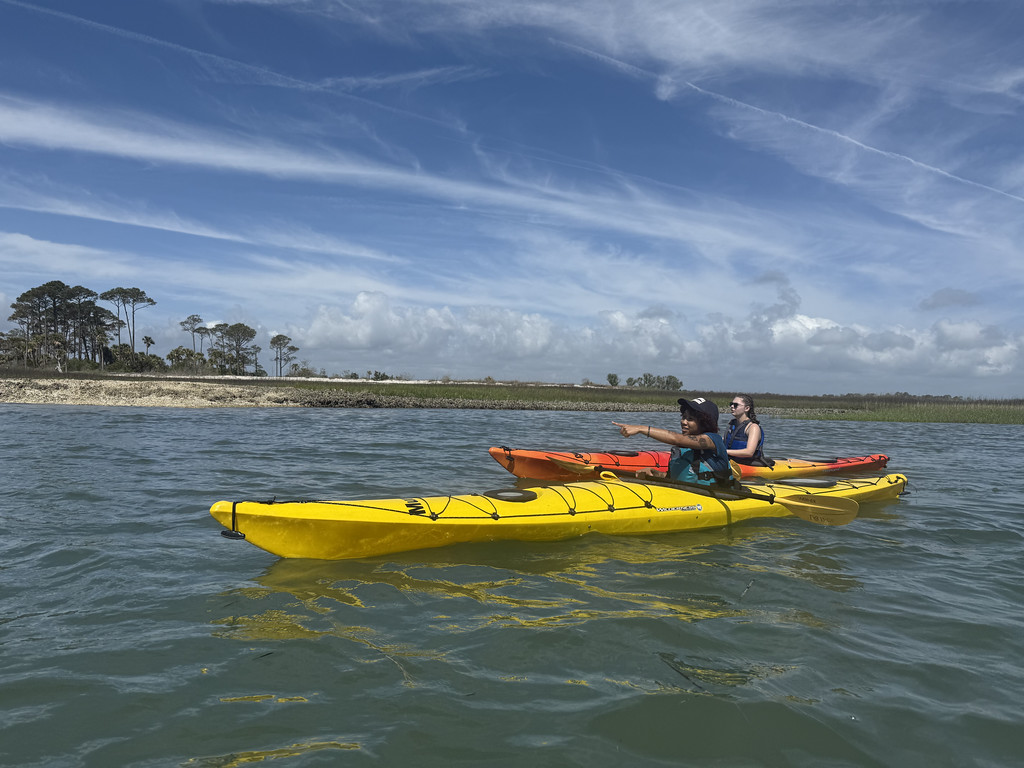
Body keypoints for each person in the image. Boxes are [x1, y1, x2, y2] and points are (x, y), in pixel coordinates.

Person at [613, 396, 732, 487]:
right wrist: (656, 474)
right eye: (683, 417)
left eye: (690, 419)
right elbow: (675, 477)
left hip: (718, 495)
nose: (684, 422)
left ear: (705, 422)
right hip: (687, 494)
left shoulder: (712, 440)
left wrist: (641, 428)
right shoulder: (683, 449)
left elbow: (676, 438)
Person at [724, 394, 771, 466]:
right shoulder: (732, 424)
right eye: (731, 404)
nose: (732, 406)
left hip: (748, 463)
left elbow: (749, 452)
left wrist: (725, 451)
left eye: (735, 405)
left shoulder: (753, 427)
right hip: (731, 460)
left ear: (746, 408)